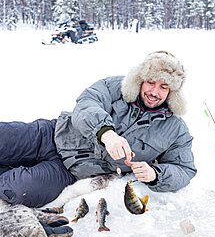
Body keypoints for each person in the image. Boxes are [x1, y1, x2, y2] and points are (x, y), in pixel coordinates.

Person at [0, 50, 197, 209]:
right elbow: (87, 103)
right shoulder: (114, 86)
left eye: (164, 87)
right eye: (151, 82)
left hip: (69, 170)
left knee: (16, 190)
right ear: (140, 80)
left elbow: (184, 169)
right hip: (51, 134)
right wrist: (106, 133)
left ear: (172, 92)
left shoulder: (176, 130)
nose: (154, 92)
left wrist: (156, 174)